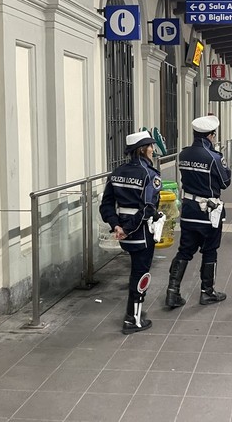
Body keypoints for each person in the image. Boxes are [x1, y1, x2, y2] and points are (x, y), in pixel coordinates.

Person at [165, 115, 232, 308]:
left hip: (188, 209)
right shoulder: (213, 157)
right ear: (211, 135)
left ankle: (172, 291)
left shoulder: (183, 154)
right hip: (208, 212)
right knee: (210, 250)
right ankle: (207, 292)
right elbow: (225, 182)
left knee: (185, 250)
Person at [99, 130, 162, 334]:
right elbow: (148, 209)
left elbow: (106, 204)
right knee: (141, 274)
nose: (153, 150)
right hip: (141, 232)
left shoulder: (116, 172)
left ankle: (134, 311)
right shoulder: (149, 175)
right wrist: (127, 229)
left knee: (135, 271)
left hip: (124, 231)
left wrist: (116, 226)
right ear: (142, 149)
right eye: (151, 146)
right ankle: (132, 319)